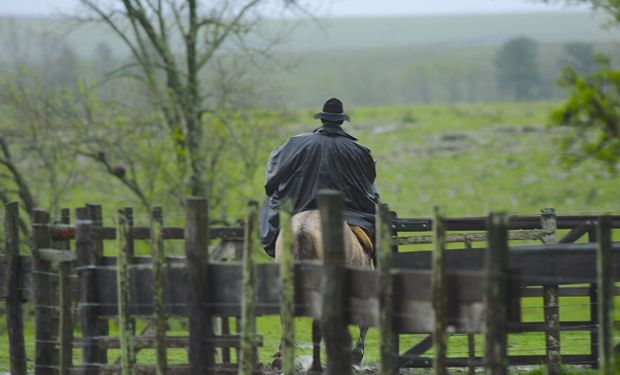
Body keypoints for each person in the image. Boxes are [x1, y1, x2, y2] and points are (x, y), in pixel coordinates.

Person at [259, 97, 380, 258]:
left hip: (299, 206)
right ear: (341, 122)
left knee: (271, 200)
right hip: (348, 213)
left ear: (322, 119)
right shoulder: (359, 151)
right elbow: (367, 189)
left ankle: (272, 245)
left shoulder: (295, 144)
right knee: (377, 229)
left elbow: (271, 181)